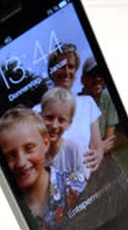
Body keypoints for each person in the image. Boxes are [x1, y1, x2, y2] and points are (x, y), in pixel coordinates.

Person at [0, 107, 85, 230]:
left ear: (46, 144)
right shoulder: (12, 212)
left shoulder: (74, 185)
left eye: (29, 148)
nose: (21, 162)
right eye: (10, 156)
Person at [44, 43, 103, 173]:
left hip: (87, 176)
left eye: (71, 67)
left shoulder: (87, 103)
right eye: (61, 66)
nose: (66, 72)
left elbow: (97, 146)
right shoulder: (38, 111)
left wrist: (98, 154)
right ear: (51, 72)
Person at [39, 87, 86, 177]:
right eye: (49, 118)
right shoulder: (34, 152)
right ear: (40, 116)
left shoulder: (74, 149)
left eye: (61, 120)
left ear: (69, 123)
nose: (54, 126)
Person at [79, 56, 118, 155]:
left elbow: (109, 141)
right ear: (83, 80)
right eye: (92, 75)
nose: (97, 79)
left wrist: (98, 149)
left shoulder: (107, 98)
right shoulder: (76, 104)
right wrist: (100, 148)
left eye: (101, 74)